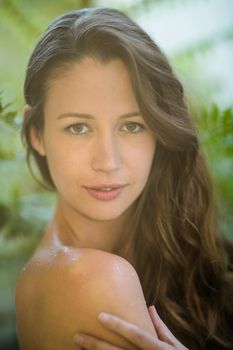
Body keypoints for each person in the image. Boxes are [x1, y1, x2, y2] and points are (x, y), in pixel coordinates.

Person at [15, 7, 233, 350]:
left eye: (132, 126)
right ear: (36, 133)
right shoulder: (90, 279)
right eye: (79, 127)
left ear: (159, 131)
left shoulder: (179, 240)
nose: (108, 161)